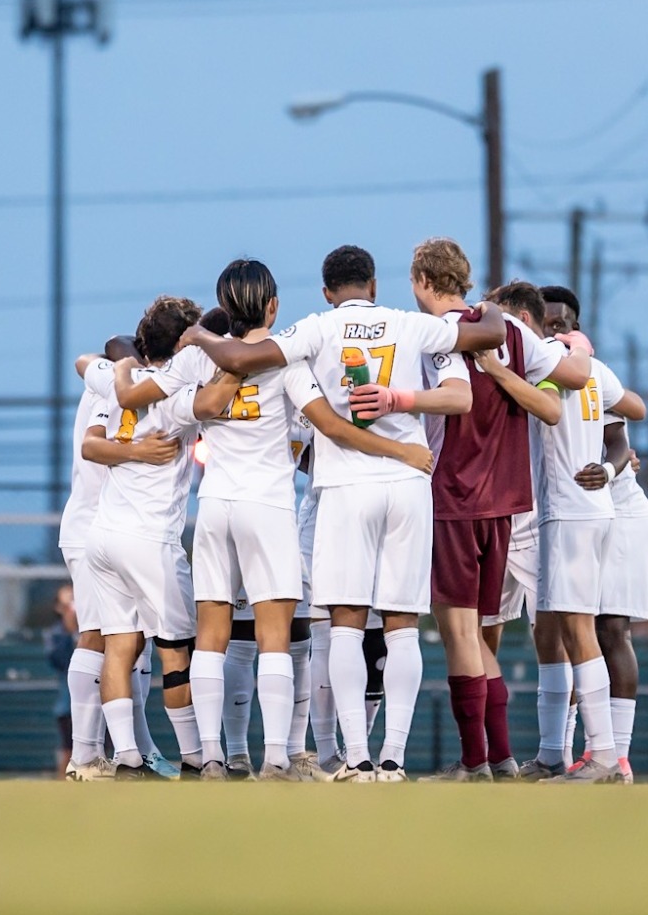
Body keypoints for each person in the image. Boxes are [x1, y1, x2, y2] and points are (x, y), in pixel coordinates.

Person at [181, 244, 507, 781]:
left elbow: (240, 360)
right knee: (402, 627)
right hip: (406, 485)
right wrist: (488, 309)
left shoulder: (316, 330)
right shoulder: (408, 324)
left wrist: (199, 334)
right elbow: (487, 336)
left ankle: (354, 757)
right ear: (375, 287)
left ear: (328, 294)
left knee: (346, 627)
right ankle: (394, 760)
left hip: (343, 488)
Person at [127, 258, 439, 780]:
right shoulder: (289, 363)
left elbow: (136, 395)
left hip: (216, 506)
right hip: (268, 505)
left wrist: (171, 356)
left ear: (225, 306)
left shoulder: (194, 361)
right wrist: (399, 450)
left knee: (211, 635)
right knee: (275, 637)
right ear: (273, 305)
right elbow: (330, 427)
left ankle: (210, 757)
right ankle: (276, 756)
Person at [407, 241, 590, 782]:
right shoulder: (511, 331)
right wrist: (576, 342)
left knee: (461, 635)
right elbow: (574, 378)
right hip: (507, 501)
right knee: (481, 635)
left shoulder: (434, 335)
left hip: (453, 497)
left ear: (422, 280)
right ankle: (503, 757)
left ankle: (473, 763)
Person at [477, 283, 629, 783]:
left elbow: (548, 405)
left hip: (566, 510)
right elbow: (631, 408)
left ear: (522, 318)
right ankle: (562, 755)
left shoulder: (544, 359)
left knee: (578, 631)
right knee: (567, 631)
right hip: (596, 508)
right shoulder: (589, 364)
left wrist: (495, 369)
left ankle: (604, 755)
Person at [83, 296, 210, 779]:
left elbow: (84, 370)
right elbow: (215, 403)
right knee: (177, 650)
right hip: (149, 540)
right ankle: (197, 757)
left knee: (120, 646)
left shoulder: (117, 381)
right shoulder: (178, 397)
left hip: (105, 536)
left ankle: (127, 760)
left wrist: (122, 367)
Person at [61, 334, 178, 781]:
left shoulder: (111, 380)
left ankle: (138, 750)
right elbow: (96, 447)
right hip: (93, 524)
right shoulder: (111, 387)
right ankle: (85, 757)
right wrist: (138, 452)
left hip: (116, 527)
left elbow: (84, 357)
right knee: (96, 636)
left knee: (131, 643)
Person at [595, 405, 648, 782]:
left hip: (620, 510)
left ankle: (619, 757)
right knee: (573, 631)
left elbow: (633, 406)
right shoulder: (531, 382)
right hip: (579, 514)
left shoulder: (589, 376)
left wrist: (613, 467)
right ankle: (577, 751)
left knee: (613, 629)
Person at [48, 582, 79, 776]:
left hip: (97, 702)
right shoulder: (56, 634)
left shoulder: (92, 629)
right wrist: (70, 630)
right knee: (68, 749)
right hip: (68, 704)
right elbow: (59, 660)